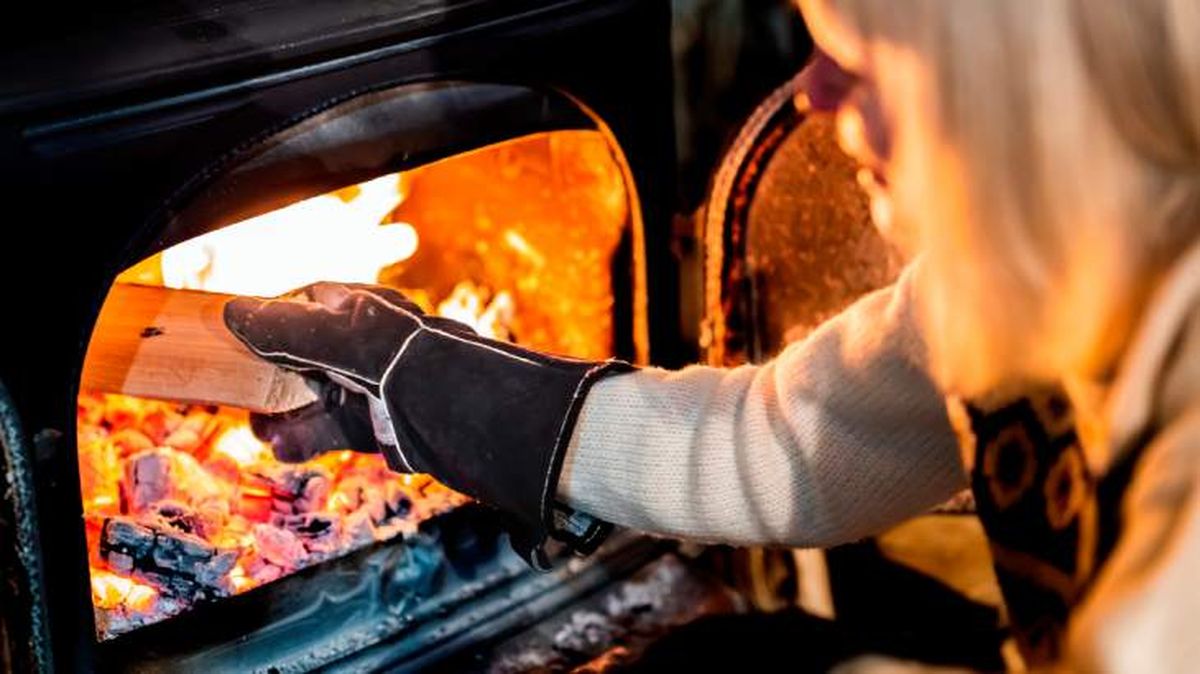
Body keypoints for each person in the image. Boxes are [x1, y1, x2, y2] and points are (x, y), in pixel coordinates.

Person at [223, 1, 1200, 670]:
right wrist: (440, 391)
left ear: (1022, 92)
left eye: (858, 54)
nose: (811, 96)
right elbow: (791, 442)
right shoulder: (1033, 258)